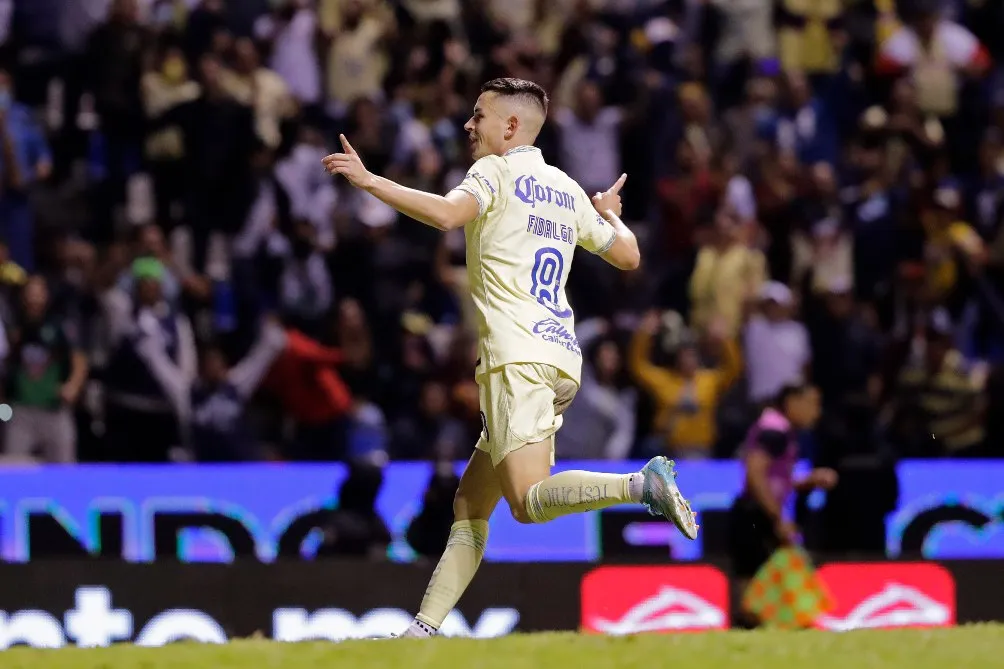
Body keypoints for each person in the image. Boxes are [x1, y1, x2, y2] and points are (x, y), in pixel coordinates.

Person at [323, 77, 699, 639]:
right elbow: (629, 253)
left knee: (526, 502)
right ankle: (421, 633)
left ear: (511, 127)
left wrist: (370, 180)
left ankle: (640, 485)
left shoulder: (494, 171)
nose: (469, 125)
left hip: (515, 359)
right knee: (471, 506)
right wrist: (610, 212)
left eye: (479, 115)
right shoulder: (566, 188)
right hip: (559, 360)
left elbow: (449, 217)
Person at [728, 383, 838, 625]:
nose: (816, 412)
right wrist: (778, 518)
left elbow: (772, 479)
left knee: (758, 578)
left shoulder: (777, 429)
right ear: (791, 402)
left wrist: (807, 482)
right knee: (753, 583)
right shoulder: (774, 431)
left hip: (756, 511)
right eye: (812, 403)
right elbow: (755, 474)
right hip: (754, 514)